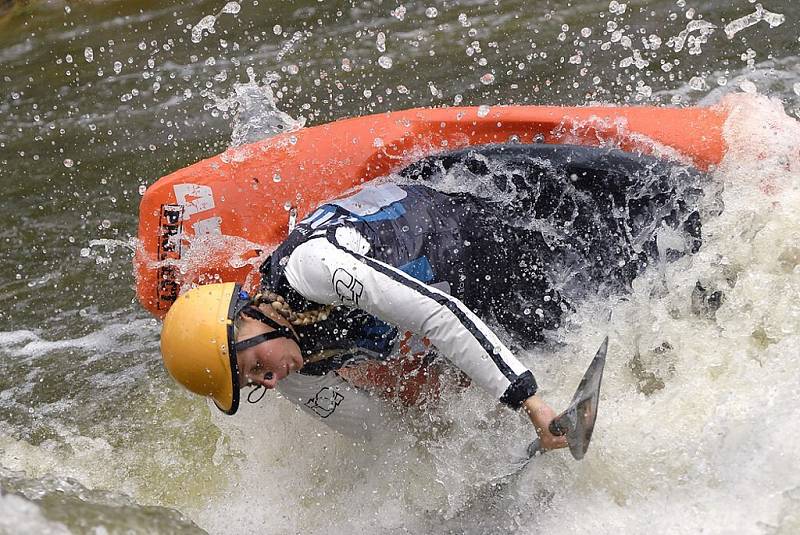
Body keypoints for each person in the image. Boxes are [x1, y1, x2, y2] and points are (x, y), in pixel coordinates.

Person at [159, 143, 708, 450]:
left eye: (256, 364)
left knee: (597, 300)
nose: (270, 380)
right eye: (253, 383)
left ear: (250, 317)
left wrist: (530, 404)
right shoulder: (293, 371)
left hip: (474, 234)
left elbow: (436, 315)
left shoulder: (313, 268)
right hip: (447, 285)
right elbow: (381, 438)